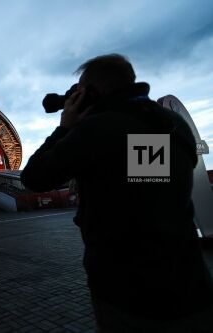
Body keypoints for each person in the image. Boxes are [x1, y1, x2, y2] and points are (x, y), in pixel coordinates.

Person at [20, 54, 213, 332]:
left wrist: (64, 128)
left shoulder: (100, 128)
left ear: (92, 91)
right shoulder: (168, 123)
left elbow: (34, 177)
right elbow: (148, 189)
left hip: (127, 290)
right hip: (188, 281)